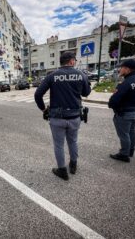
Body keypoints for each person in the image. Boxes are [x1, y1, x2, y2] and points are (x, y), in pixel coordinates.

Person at [34, 52, 91, 181]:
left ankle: (62, 171)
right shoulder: (81, 75)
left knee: (58, 145)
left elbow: (38, 95)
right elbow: (86, 92)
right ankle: (73, 165)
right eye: (74, 60)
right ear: (71, 61)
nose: (75, 62)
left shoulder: (52, 76)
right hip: (75, 116)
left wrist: (43, 109)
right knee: (73, 141)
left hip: (57, 117)